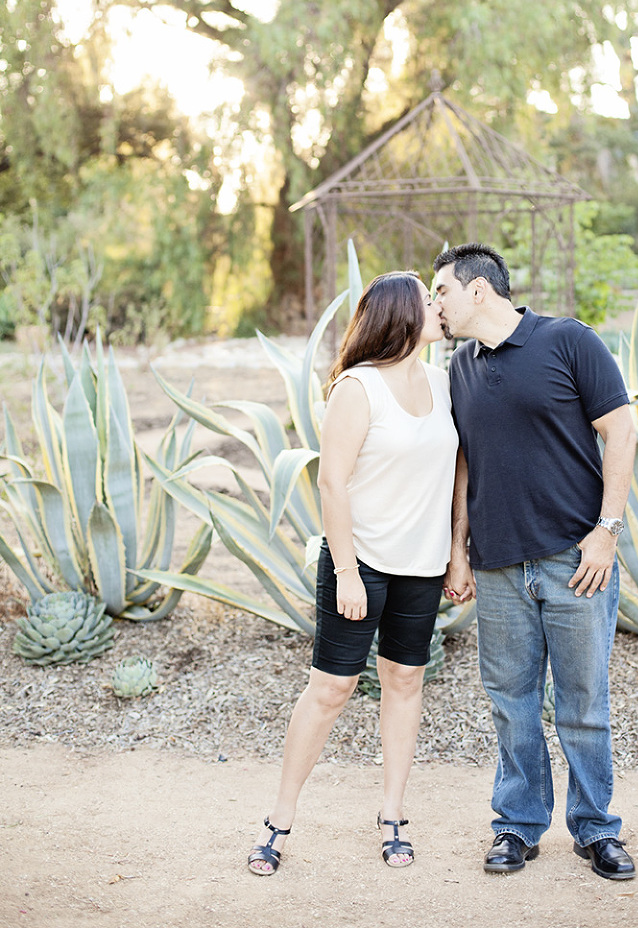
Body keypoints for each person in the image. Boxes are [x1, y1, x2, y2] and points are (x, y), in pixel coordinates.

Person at [433, 242, 637, 881]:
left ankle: (596, 829)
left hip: (576, 560)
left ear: (478, 290)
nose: (436, 305)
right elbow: (465, 461)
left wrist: (606, 532)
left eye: (441, 291)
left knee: (583, 703)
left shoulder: (568, 341)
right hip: (497, 566)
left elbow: (622, 429)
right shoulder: (460, 367)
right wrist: (458, 551)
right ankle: (518, 826)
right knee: (511, 702)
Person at [248, 271, 458, 875]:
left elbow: (458, 470)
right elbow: (331, 482)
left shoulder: (444, 383)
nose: (438, 307)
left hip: (422, 565)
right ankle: (278, 821)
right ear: (402, 316)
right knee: (331, 689)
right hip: (359, 562)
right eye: (428, 301)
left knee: (405, 681)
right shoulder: (358, 387)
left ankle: (393, 817)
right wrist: (345, 572)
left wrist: (456, 552)